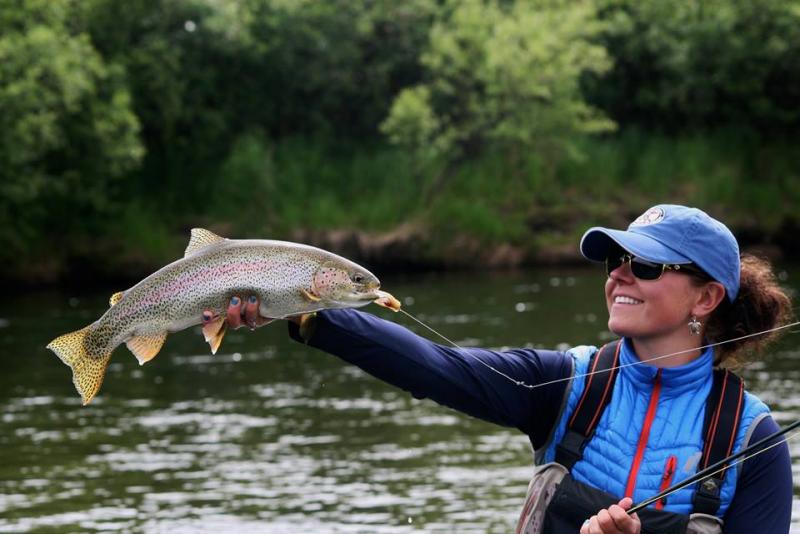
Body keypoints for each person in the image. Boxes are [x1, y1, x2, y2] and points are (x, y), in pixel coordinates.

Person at [215, 205, 793, 533]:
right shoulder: (569, 384)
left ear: (706, 298)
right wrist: (304, 309)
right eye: (615, 260)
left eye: (644, 265)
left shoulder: (752, 443)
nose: (618, 274)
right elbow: (435, 367)